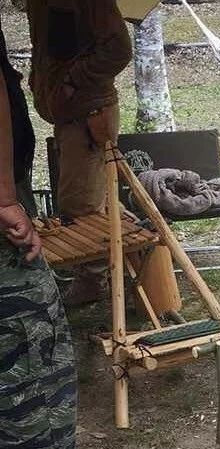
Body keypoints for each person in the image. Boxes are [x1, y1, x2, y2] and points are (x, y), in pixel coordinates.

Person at [0, 18, 128, 449]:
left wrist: (71, 83)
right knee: (29, 343)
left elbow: (115, 45)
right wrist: (6, 198)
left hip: (83, 119)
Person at [26, 0, 132, 305]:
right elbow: (51, 46)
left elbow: (119, 50)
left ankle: (94, 280)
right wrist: (41, 78)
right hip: (69, 112)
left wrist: (72, 81)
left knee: (81, 204)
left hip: (88, 113)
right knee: (97, 198)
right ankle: (122, 265)